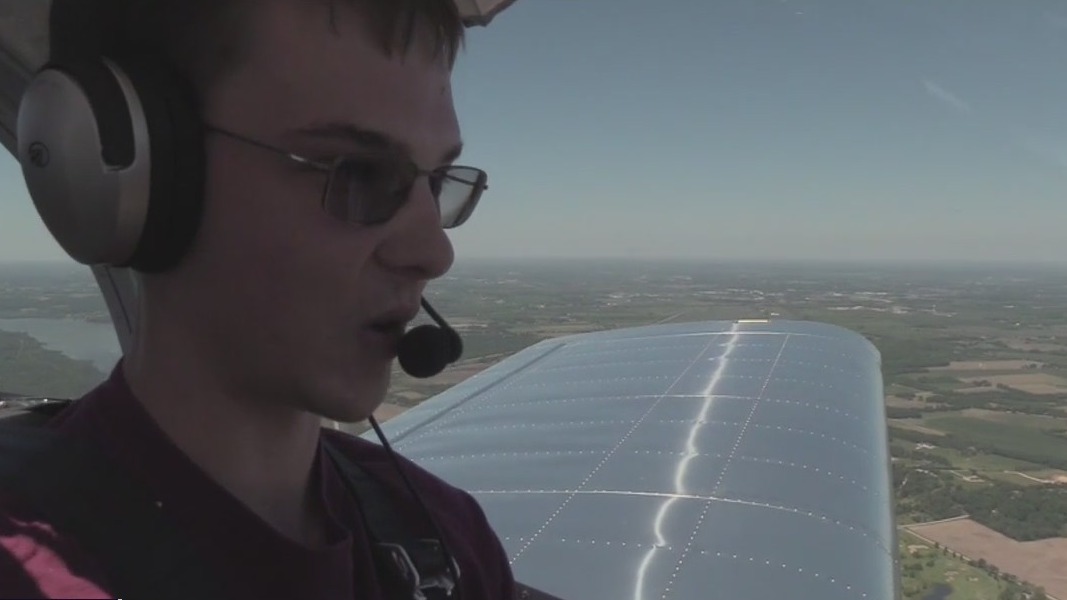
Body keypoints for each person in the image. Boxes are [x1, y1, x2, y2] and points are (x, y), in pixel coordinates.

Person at [0, 0, 516, 598]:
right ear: (131, 174)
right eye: (357, 172)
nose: (433, 254)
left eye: (436, 181)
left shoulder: (447, 536)